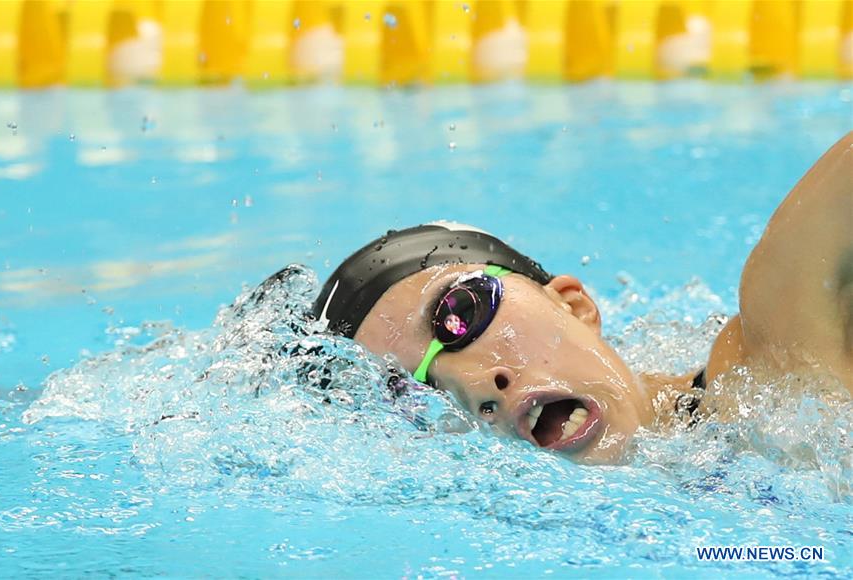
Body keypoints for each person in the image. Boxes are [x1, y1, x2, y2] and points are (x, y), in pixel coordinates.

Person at [312, 131, 853, 464]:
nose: (474, 387)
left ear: (573, 305)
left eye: (460, 312)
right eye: (415, 394)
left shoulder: (785, 359)